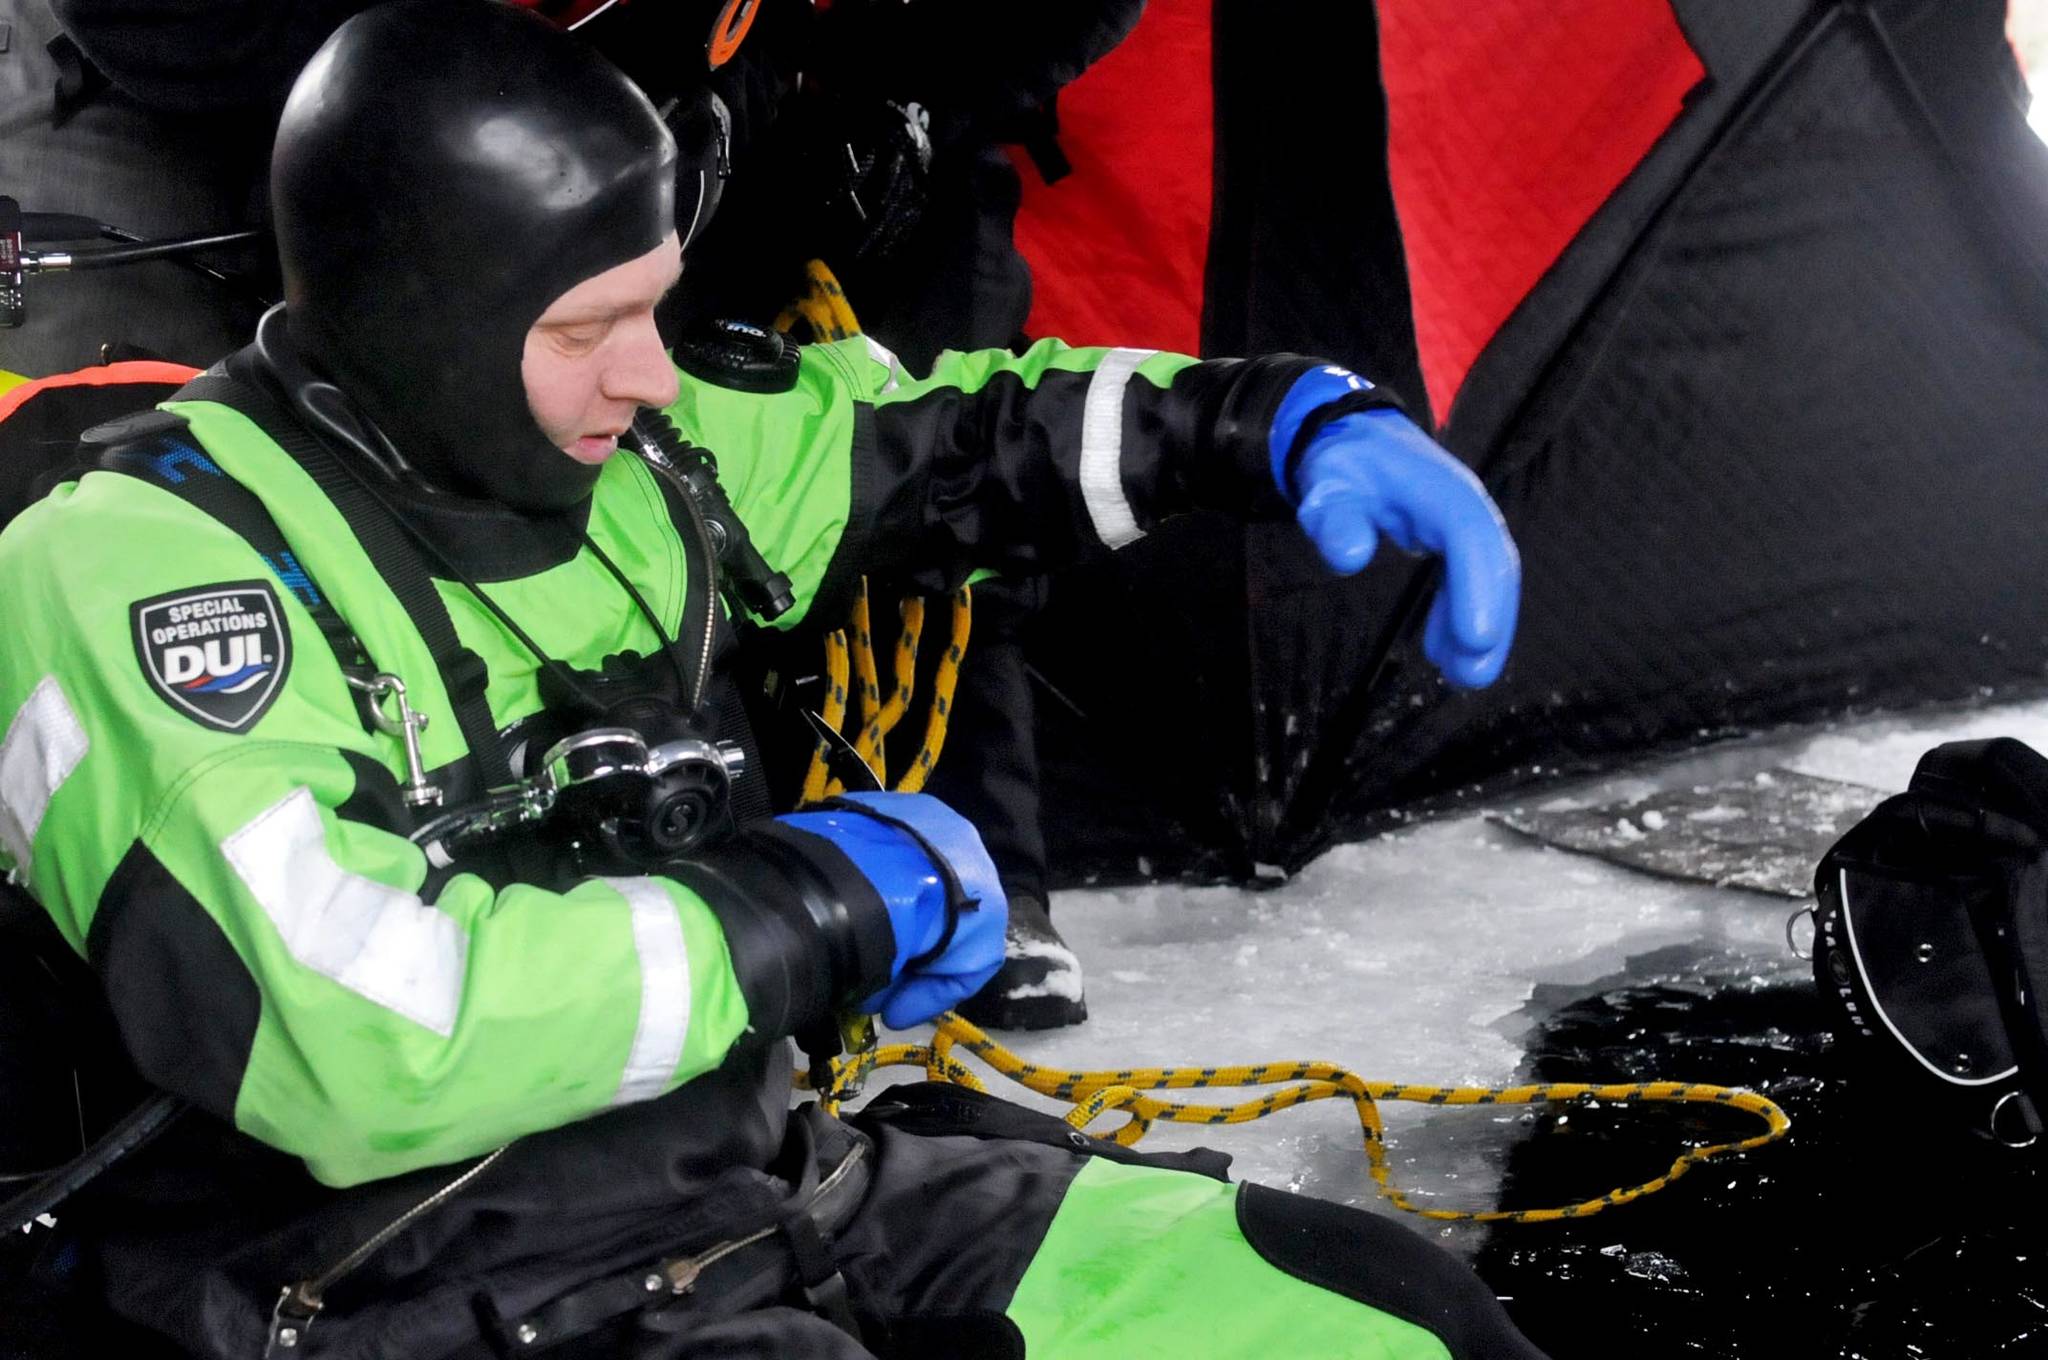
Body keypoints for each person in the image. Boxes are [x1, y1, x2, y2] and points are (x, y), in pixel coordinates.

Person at [0, 3, 1530, 1357]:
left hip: (764, 1200)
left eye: (650, 305)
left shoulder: (628, 452)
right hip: (390, 1288)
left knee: (1376, 1316)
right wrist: (816, 907)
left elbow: (942, 445)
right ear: (422, 324)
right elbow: (349, 1036)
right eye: (587, 327)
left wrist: (1274, 428)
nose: (652, 371)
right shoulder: (138, 571)